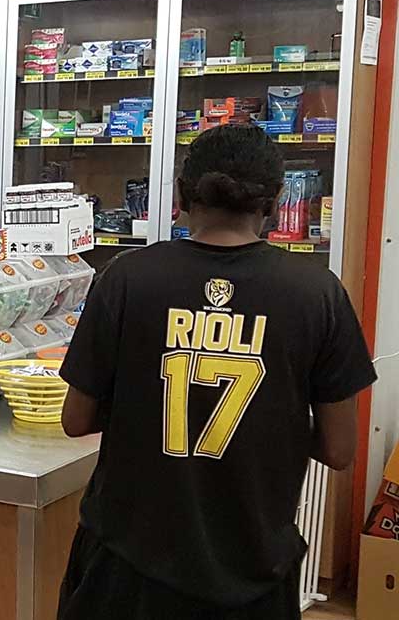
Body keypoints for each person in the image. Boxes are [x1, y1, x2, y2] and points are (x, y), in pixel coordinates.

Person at [57, 124, 376, 620]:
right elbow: (338, 450)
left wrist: (149, 408)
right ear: (271, 205)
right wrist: (272, 422)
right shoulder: (317, 293)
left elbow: (76, 419)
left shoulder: (126, 277)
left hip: (126, 563)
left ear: (182, 196)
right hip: (253, 569)